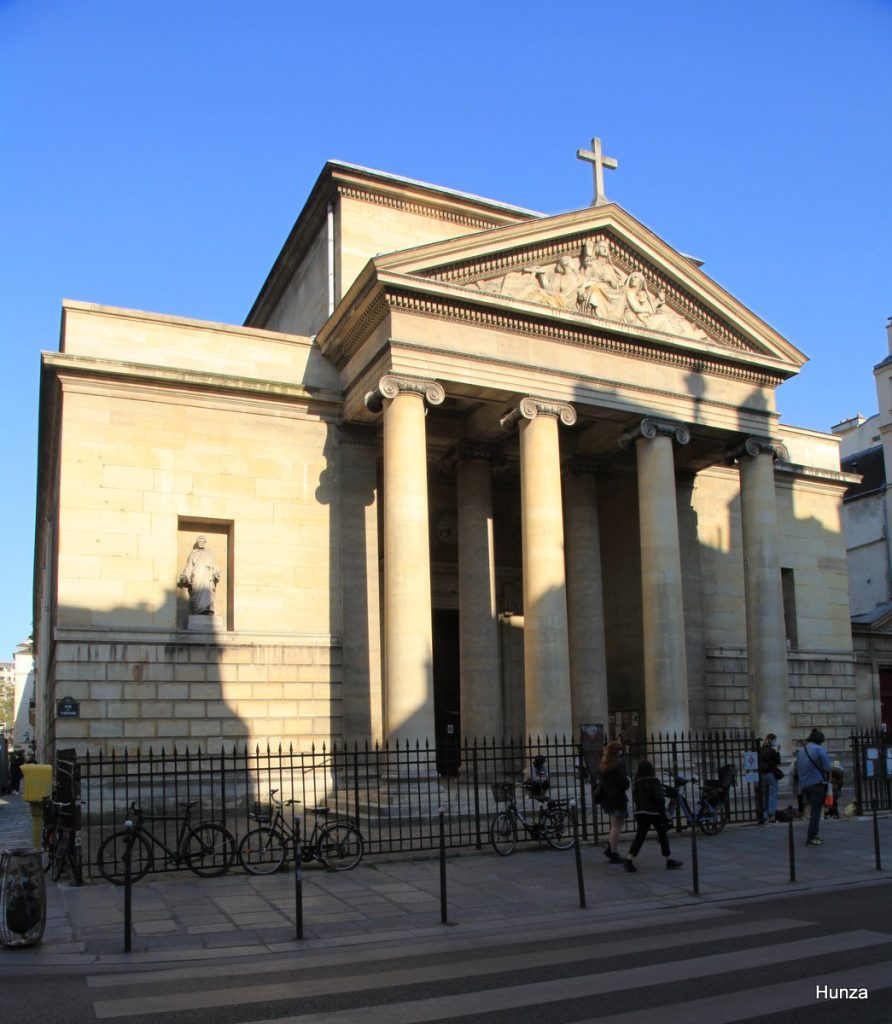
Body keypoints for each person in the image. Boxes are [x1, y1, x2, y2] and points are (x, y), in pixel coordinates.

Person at [624, 760, 682, 872]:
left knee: (640, 836)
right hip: (654, 813)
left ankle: (629, 859)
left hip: (641, 812)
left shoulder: (637, 782)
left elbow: (635, 798)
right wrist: (662, 807)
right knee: (662, 835)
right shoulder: (654, 781)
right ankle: (669, 860)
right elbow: (658, 798)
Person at [795, 728, 831, 847]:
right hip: (816, 783)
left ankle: (813, 835)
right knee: (816, 812)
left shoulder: (801, 750)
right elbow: (827, 767)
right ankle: (811, 837)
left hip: (804, 785)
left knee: (811, 809)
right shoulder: (819, 749)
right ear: (820, 741)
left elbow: (797, 767)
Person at [597, 739, 630, 864]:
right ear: (617, 752)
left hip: (608, 799)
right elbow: (624, 784)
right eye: (621, 751)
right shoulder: (617, 766)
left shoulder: (604, 765)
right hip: (617, 799)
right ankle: (613, 852)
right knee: (616, 827)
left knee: (614, 826)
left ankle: (610, 848)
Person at [177, 535, 221, 615]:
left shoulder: (210, 552)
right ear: (197, 542)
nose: (201, 542)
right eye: (199, 541)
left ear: (205, 542)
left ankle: (208, 610)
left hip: (207, 577)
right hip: (197, 576)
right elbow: (189, 566)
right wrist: (185, 576)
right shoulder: (193, 553)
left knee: (208, 593)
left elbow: (214, 564)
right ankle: (198, 611)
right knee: (197, 594)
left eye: (202, 541)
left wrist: (216, 573)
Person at [758, 733, 782, 823]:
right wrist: (778, 751)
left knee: (764, 794)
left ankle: (764, 814)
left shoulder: (760, 750)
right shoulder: (771, 751)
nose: (775, 742)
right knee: (772, 794)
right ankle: (772, 814)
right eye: (775, 740)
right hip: (770, 774)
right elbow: (778, 761)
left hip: (761, 774)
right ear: (771, 740)